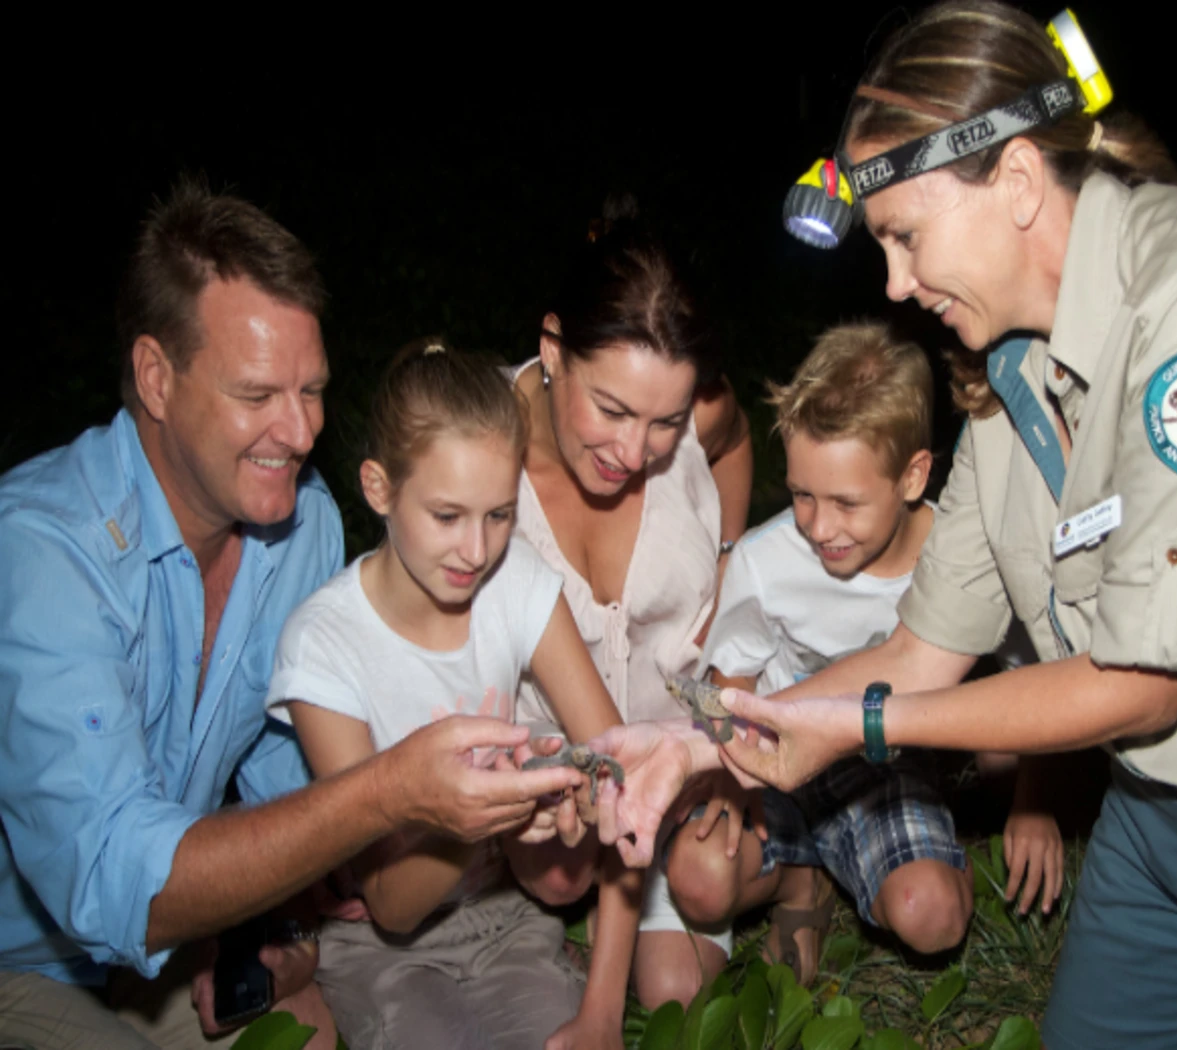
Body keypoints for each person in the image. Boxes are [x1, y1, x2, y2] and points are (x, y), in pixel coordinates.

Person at [595, 3, 1177, 1047]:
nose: (892, 282)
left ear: (1016, 181)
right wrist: (693, 738)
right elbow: (921, 649)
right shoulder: (1008, 379)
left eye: (904, 237)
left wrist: (857, 727)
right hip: (1152, 819)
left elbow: (1137, 679)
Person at [0, 182, 584, 1050]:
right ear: (157, 377)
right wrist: (389, 793)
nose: (300, 429)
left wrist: (280, 932)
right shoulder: (43, 550)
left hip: (184, 950)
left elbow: (289, 793)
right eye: (258, 393)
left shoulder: (298, 522)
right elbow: (116, 883)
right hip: (32, 959)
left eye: (312, 390)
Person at [662, 321, 1062, 993]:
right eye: (801, 494)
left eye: (846, 502)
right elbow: (733, 678)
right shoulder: (767, 561)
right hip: (776, 757)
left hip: (885, 766)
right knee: (698, 879)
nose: (818, 527)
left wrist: (1034, 802)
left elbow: (1040, 687)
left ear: (913, 476)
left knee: (929, 916)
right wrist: (731, 779)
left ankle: (918, 858)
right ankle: (800, 878)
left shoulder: (965, 561)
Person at [265, 338, 637, 1050]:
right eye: (447, 516)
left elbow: (620, 778)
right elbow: (390, 906)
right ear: (378, 489)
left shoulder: (517, 584)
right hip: (386, 949)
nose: (476, 550)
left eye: (499, 515)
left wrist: (602, 1014)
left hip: (505, 920)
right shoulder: (323, 646)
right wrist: (481, 807)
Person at [508, 202, 754, 1009]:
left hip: (682, 738)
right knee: (557, 870)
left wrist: (727, 570)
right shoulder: (476, 458)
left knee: (680, 990)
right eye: (611, 410)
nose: (632, 452)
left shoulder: (697, 422)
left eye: (664, 422)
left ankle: (795, 882)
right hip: (568, 781)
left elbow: (735, 433)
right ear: (553, 350)